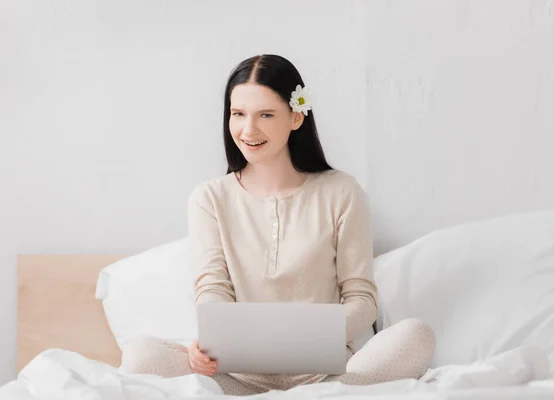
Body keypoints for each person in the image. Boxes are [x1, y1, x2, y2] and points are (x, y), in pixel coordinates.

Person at [120, 54, 436, 396]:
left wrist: (308, 338)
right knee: (140, 356)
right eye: (238, 114)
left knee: (415, 336)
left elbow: (361, 298)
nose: (248, 130)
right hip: (234, 377)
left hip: (329, 377)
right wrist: (212, 344)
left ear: (296, 116)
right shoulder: (209, 198)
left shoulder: (341, 191)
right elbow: (212, 289)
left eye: (265, 115)